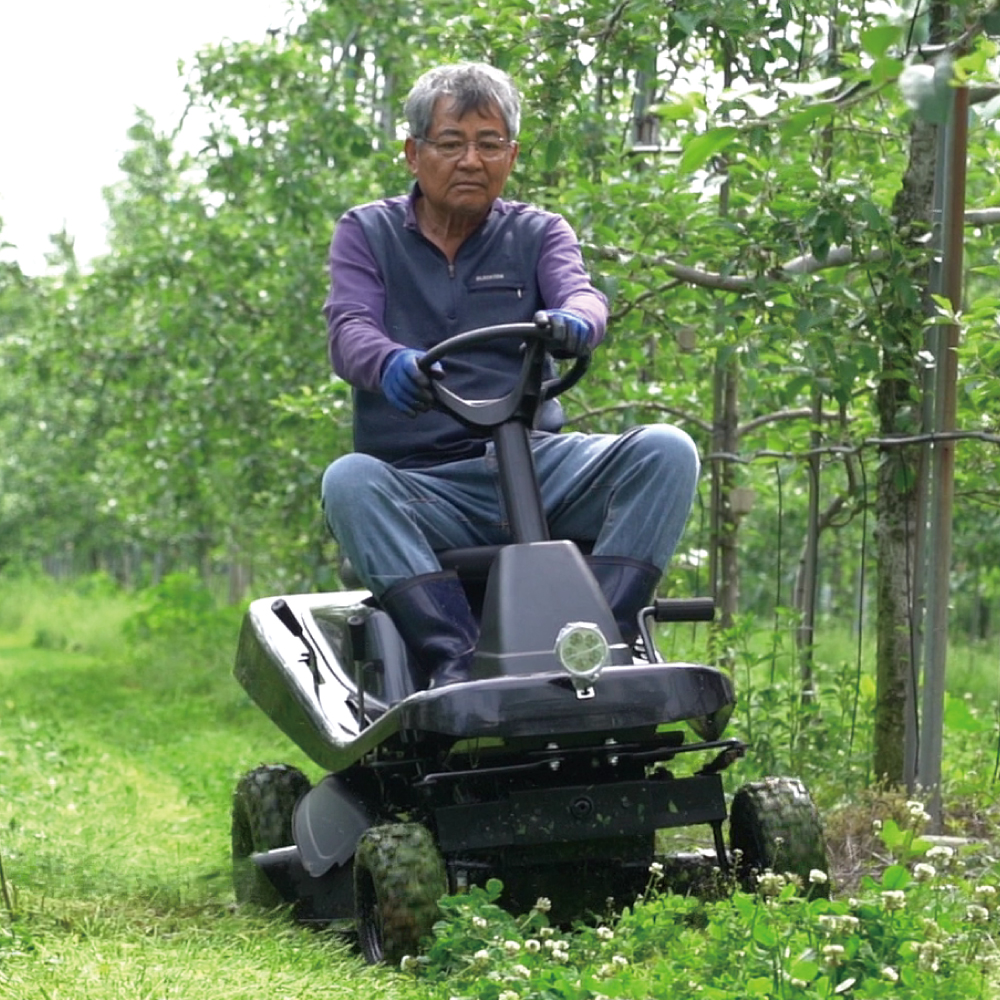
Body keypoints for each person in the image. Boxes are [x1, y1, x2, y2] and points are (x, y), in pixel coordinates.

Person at [321, 62, 699, 689]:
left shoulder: (540, 231)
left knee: (666, 451)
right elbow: (349, 327)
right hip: (424, 485)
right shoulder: (366, 231)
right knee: (349, 482)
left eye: (489, 143)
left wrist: (577, 320)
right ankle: (455, 658)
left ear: (511, 156)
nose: (471, 159)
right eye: (451, 143)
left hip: (535, 465)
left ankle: (602, 633)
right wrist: (387, 362)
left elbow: (583, 296)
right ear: (414, 153)